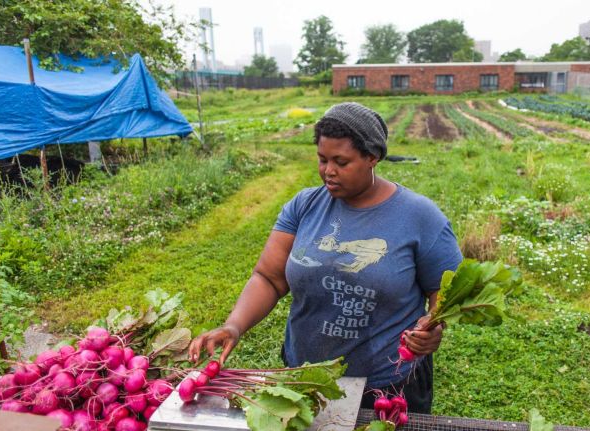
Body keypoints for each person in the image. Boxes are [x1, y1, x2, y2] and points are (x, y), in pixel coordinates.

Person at [188, 102, 463, 413]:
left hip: (387, 387)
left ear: (372, 157)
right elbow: (269, 277)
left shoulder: (420, 217)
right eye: (322, 159)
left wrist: (434, 325)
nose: (328, 171)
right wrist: (234, 326)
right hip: (306, 379)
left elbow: (445, 291)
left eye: (341, 162)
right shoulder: (304, 206)